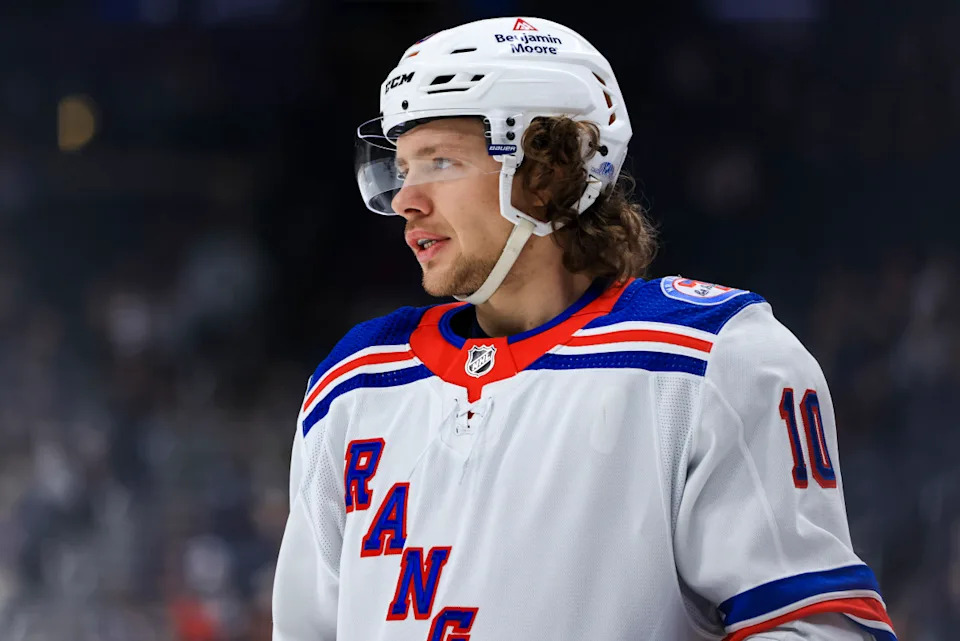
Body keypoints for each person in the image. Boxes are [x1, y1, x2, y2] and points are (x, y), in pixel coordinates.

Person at [272, 16, 897, 641]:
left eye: (439, 161)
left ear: (549, 171)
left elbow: (817, 631)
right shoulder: (354, 382)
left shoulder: (710, 358)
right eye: (402, 168)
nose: (407, 198)